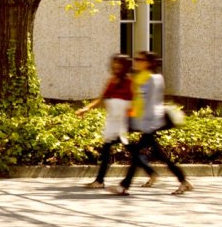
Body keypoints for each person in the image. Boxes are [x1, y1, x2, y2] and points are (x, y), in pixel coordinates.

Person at [114, 50, 192, 196]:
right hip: (145, 122)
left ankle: (124, 186)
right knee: (159, 155)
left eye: (139, 59)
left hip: (151, 122)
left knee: (137, 154)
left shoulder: (153, 79)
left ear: (148, 63)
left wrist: (145, 126)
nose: (136, 61)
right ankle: (183, 181)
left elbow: (152, 104)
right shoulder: (141, 78)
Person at [77, 53, 133, 187]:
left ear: (125, 66)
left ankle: (100, 181)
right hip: (113, 121)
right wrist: (86, 108)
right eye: (115, 63)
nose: (115, 65)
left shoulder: (130, 82)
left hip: (123, 122)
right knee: (108, 149)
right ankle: (99, 180)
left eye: (119, 63)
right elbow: (102, 98)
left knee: (130, 151)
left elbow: (136, 101)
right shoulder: (112, 81)